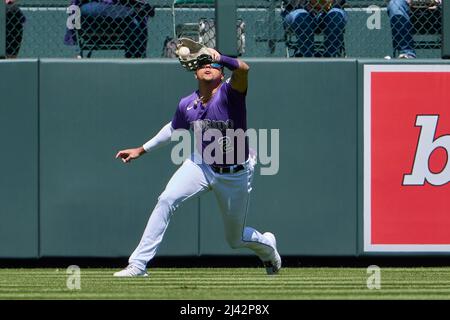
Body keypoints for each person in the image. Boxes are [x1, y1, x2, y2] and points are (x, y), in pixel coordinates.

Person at [113, 49, 282, 277]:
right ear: (195, 73)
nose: (207, 65)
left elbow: (243, 69)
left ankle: (269, 249)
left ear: (222, 75)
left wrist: (220, 57)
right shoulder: (187, 104)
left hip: (235, 174)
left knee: (235, 239)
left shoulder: (230, 93)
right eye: (202, 63)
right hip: (201, 164)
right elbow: (173, 129)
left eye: (212, 64)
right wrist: (141, 149)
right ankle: (138, 264)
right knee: (166, 199)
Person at [64, 0, 154, 58]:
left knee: (136, 22)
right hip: (94, 15)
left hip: (121, 20)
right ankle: (130, 12)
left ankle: (135, 62)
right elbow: (75, 7)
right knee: (90, 9)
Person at [281, 0, 347, 57]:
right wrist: (307, 4)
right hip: (297, 8)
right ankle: (307, 59)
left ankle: (330, 60)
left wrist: (329, 3)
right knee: (302, 19)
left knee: (336, 17)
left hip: (330, 9)